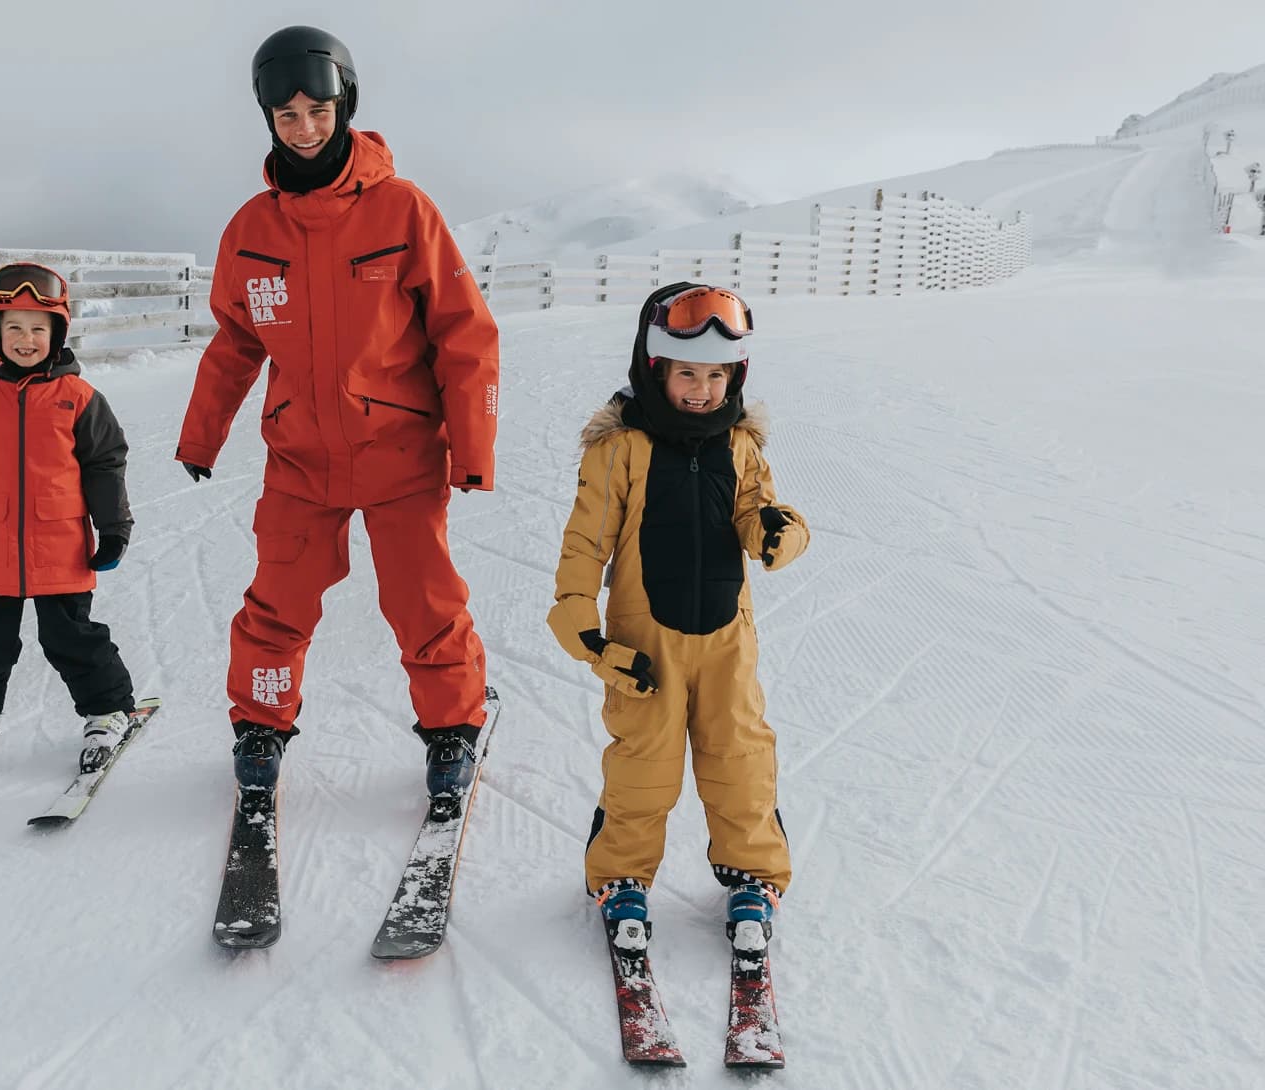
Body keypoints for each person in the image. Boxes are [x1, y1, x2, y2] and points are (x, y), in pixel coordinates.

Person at [175, 25, 501, 807]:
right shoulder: (252, 230)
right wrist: (202, 434)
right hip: (301, 461)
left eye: (317, 109)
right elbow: (234, 344)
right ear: (268, 121)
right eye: (286, 115)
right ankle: (260, 726)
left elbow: (466, 332)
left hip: (401, 454)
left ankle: (452, 729)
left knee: (425, 603)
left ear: (344, 104)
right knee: (276, 605)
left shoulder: (402, 210)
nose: (305, 127)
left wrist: (471, 446)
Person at [546, 283, 810, 966]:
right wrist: (583, 625)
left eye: (716, 375)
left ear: (735, 376)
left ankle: (754, 877)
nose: (701, 389)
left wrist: (779, 531)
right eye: (687, 373)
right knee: (644, 768)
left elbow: (759, 510)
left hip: (728, 643)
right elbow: (586, 540)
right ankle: (621, 879)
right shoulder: (620, 447)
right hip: (645, 645)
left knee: (741, 761)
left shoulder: (741, 445)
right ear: (655, 368)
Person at [0, 262, 138, 763]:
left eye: (38, 328)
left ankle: (107, 711)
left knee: (72, 637)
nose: (26, 339)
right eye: (14, 327)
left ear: (57, 333)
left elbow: (105, 466)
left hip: (60, 544)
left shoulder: (79, 398)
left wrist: (114, 528)